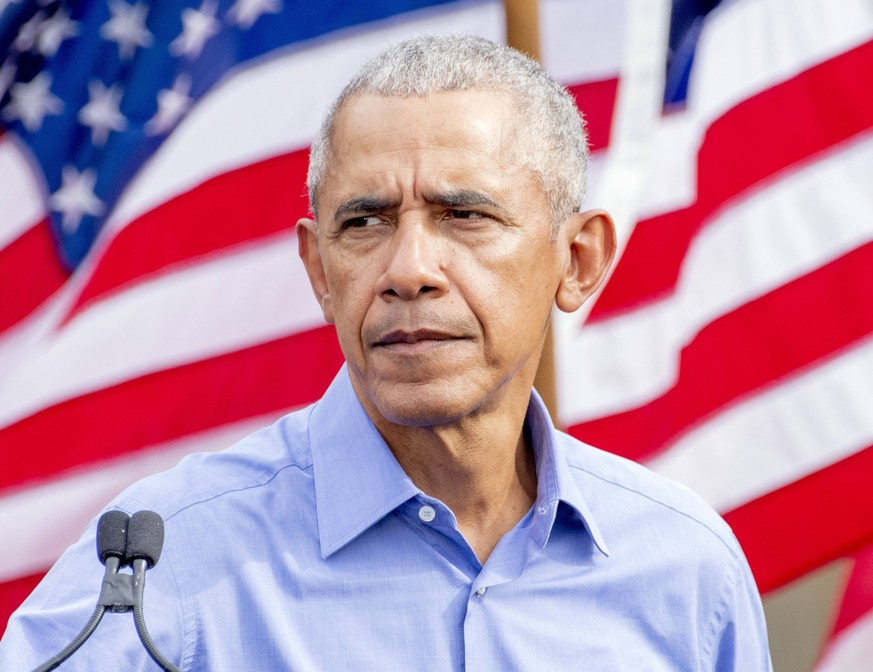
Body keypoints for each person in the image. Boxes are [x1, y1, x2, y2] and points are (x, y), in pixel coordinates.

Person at [0, 35, 772, 670]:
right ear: (318, 271)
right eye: (364, 223)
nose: (407, 269)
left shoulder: (684, 570)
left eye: (463, 214)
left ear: (576, 262)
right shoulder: (160, 565)